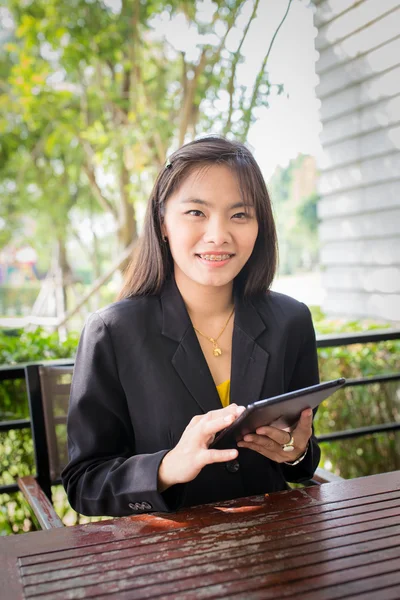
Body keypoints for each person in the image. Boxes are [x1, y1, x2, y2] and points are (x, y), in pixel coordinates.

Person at [62, 136, 321, 517]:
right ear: (163, 222)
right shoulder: (112, 332)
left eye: (239, 214)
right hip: (167, 562)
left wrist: (296, 453)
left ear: (259, 226)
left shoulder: (292, 321)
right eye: (196, 213)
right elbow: (84, 483)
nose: (218, 235)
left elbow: (303, 457)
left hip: (274, 550)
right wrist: (165, 469)